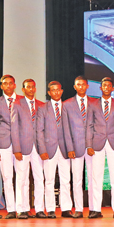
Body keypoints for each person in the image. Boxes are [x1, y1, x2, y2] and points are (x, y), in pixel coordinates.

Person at [86, 77, 114, 218]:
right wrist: (89, 145)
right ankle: (96, 209)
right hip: (97, 143)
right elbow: (89, 126)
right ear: (100, 88)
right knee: (96, 177)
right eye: (104, 85)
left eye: (109, 85)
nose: (106, 87)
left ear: (113, 88)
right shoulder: (93, 104)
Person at [36, 81, 72, 219]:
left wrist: (70, 148)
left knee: (66, 180)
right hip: (48, 149)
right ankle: (50, 209)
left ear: (61, 91)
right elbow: (39, 131)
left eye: (58, 90)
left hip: (64, 149)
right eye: (53, 90)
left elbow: (70, 130)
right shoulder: (42, 108)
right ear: (49, 93)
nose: (56, 92)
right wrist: (42, 149)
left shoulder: (67, 107)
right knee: (49, 180)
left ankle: (66, 208)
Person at [11, 79, 45, 219]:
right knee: (22, 179)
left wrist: (43, 149)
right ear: (23, 89)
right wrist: (16, 149)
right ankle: (22, 209)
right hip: (22, 148)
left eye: (33, 87)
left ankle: (39, 209)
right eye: (27, 87)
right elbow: (14, 128)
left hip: (38, 147)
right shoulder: (17, 104)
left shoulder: (42, 106)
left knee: (39, 178)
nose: (31, 89)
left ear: (35, 89)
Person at [61, 76, 94, 218]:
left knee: (93, 178)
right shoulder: (67, 104)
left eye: (83, 85)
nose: (81, 87)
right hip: (75, 147)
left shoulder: (95, 103)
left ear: (87, 86)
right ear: (74, 87)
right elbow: (66, 129)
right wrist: (70, 148)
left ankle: (94, 208)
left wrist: (93, 143)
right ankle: (79, 209)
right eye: (78, 85)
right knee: (77, 179)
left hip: (93, 146)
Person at [0, 74, 21, 219]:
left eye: (11, 83)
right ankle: (11, 209)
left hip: (21, 143)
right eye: (5, 84)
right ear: (1, 86)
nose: (8, 86)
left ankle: (22, 209)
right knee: (7, 177)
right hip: (4, 144)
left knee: (22, 177)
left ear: (15, 85)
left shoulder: (23, 101)